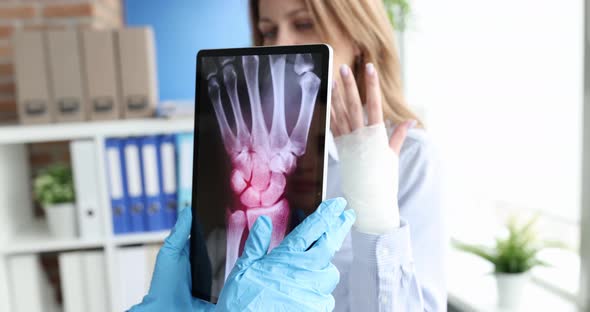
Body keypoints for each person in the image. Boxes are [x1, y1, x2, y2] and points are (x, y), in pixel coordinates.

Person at [132, 0, 445, 310]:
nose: (279, 45)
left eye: (304, 24)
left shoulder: (411, 157)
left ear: (360, 35)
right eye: (268, 31)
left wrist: (377, 218)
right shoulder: (242, 153)